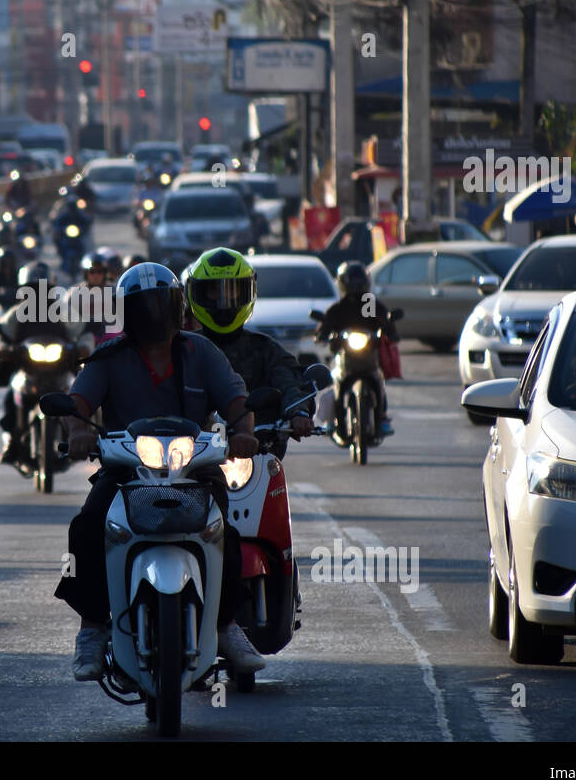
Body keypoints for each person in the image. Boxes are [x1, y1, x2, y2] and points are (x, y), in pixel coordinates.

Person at [56, 262, 266, 682]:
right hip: (125, 473)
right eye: (143, 306)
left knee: (226, 531)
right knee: (87, 526)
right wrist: (78, 431)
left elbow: (238, 402)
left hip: (195, 472)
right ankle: (93, 627)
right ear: (127, 312)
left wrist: (244, 432)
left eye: (160, 303)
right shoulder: (108, 357)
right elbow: (76, 403)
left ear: (177, 307)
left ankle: (225, 625)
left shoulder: (202, 351)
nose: (153, 313)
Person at [184, 248, 315, 442]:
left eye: (232, 290)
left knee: (275, 473)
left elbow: (289, 381)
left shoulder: (265, 349)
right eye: (214, 291)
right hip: (192, 452)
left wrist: (299, 413)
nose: (224, 301)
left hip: (257, 449)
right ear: (197, 293)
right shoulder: (184, 348)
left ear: (248, 292)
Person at [0, 261, 76, 465]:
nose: (38, 293)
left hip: (59, 373)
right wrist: (1, 347)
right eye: (33, 289)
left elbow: (80, 332)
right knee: (10, 400)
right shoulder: (17, 313)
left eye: (42, 288)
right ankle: (10, 441)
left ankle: (77, 440)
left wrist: (84, 346)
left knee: (79, 401)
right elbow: (0, 333)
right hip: (27, 373)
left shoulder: (63, 312)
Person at [313, 261, 398, 436]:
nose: (356, 285)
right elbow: (326, 323)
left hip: (368, 358)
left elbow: (384, 320)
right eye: (352, 281)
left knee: (378, 383)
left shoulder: (370, 304)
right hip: (344, 358)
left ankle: (382, 418)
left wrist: (389, 331)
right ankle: (333, 420)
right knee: (336, 383)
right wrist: (323, 334)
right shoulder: (339, 307)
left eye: (359, 281)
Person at [0, 245, 21, 310]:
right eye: (5, 262)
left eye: (10, 261)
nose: (7, 264)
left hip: (15, 307)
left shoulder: (17, 275)